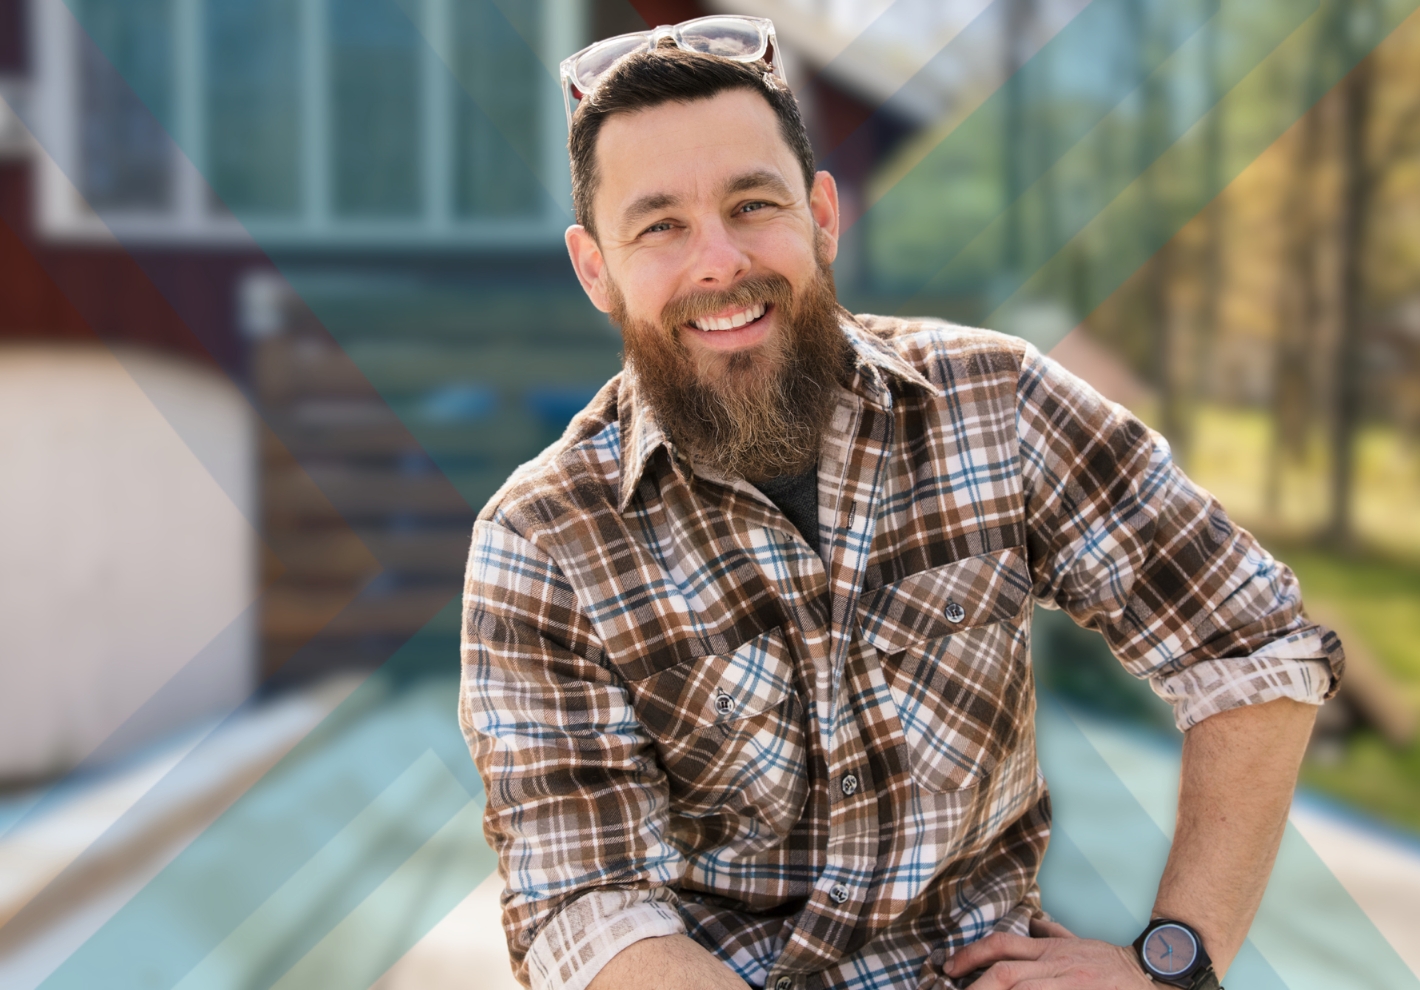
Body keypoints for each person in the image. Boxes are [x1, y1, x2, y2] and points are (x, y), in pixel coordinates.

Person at [460, 17, 1342, 990]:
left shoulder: (994, 402)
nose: (719, 262)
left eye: (753, 204)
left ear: (823, 216)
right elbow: (585, 908)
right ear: (597, 269)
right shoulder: (539, 541)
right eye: (660, 224)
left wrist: (1171, 960)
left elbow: (1250, 643)